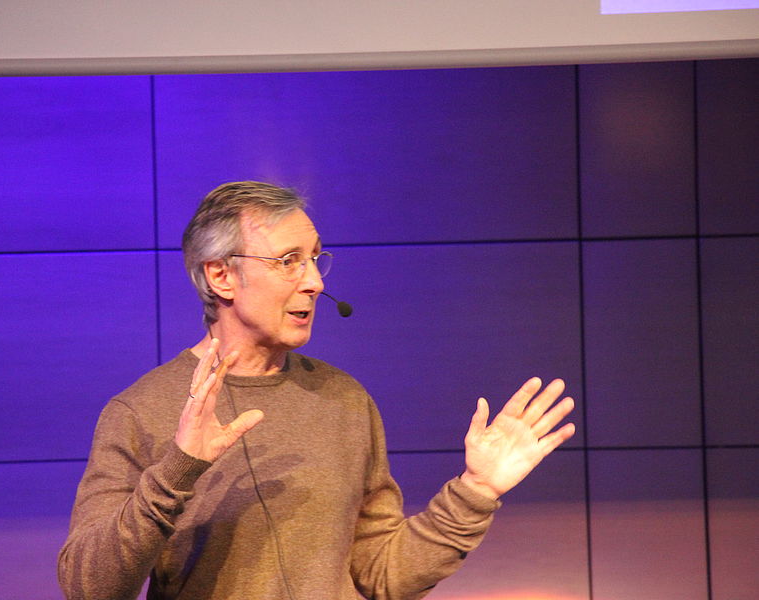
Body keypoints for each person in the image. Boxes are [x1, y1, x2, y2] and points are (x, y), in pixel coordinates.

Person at [58, 181, 575, 600]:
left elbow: (382, 575)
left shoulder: (343, 400)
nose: (314, 282)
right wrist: (178, 468)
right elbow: (88, 588)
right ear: (221, 276)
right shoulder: (140, 411)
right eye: (288, 261)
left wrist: (476, 491)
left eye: (314, 259)